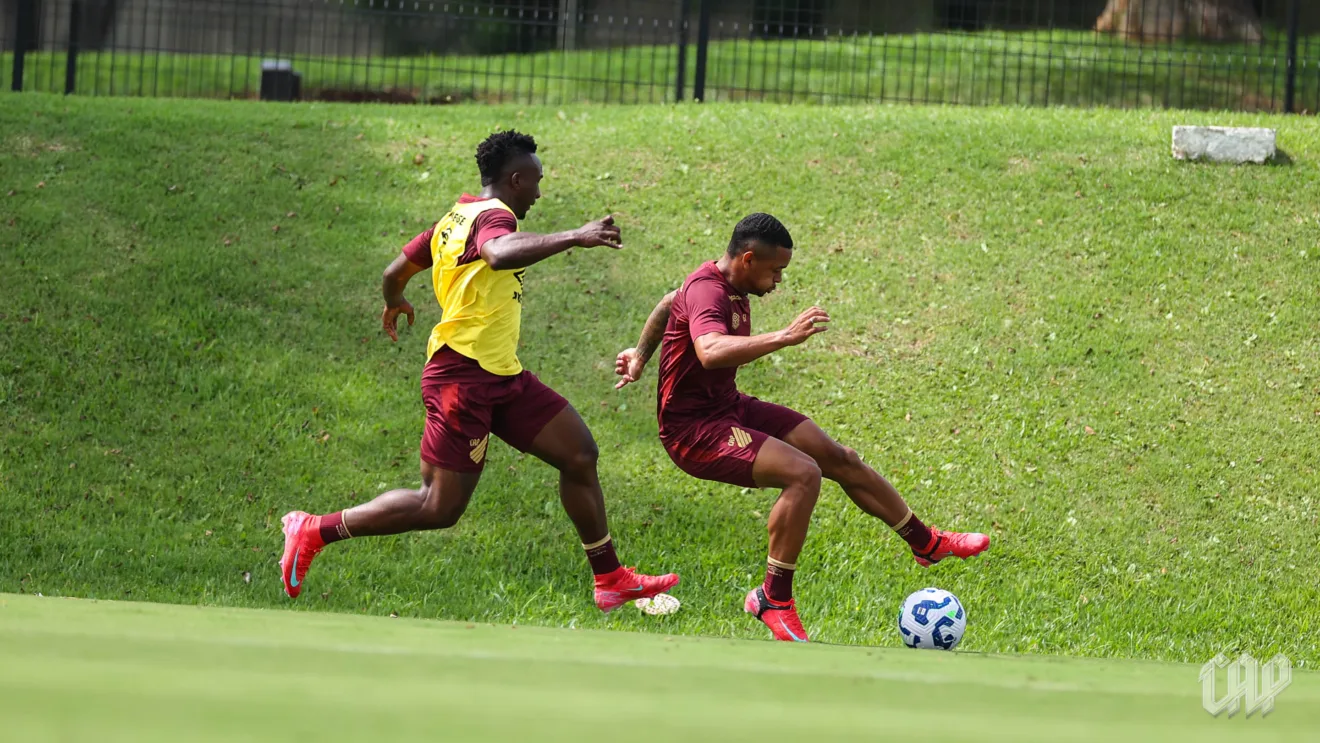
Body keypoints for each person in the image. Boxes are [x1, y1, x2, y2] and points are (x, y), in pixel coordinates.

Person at [279, 130, 679, 613]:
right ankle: (314, 530)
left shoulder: (454, 218)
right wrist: (576, 236)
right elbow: (498, 253)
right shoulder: (495, 216)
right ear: (515, 179)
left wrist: (395, 302)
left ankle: (610, 578)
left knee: (578, 453)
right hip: (461, 376)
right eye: (535, 181)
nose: (539, 192)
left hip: (499, 375)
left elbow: (393, 273)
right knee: (438, 507)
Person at [614, 213, 988, 642]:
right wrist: (784, 336)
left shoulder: (717, 284)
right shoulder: (708, 292)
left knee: (837, 457)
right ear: (749, 259)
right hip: (693, 431)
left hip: (727, 408)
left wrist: (641, 355)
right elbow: (711, 350)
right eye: (775, 271)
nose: (777, 282)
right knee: (803, 473)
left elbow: (668, 301)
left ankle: (926, 542)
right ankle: (773, 598)